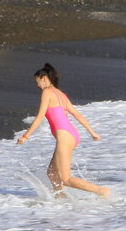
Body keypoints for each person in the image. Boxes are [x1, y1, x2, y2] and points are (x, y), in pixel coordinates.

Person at [17, 63, 110, 198]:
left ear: (43, 78)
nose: (37, 85)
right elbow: (77, 115)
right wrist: (92, 132)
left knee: (66, 179)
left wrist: (25, 136)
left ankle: (102, 191)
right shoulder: (61, 94)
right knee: (52, 173)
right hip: (72, 134)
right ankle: (61, 200)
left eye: (37, 81)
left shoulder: (47, 92)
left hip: (64, 136)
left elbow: (40, 116)